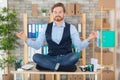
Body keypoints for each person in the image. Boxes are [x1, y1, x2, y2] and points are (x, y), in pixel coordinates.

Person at [16, 3, 97, 72]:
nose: (57, 14)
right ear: (52, 14)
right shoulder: (45, 27)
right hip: (51, 57)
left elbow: (79, 46)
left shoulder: (71, 28)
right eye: (55, 12)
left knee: (76, 56)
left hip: (66, 58)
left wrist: (89, 38)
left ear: (64, 13)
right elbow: (37, 45)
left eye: (60, 12)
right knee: (35, 57)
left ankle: (49, 66)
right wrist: (26, 39)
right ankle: (62, 68)